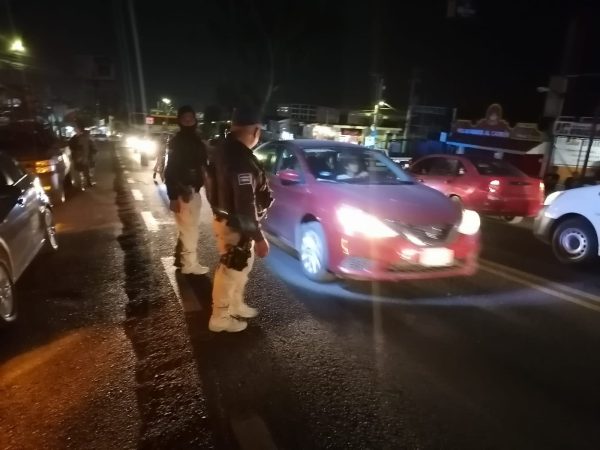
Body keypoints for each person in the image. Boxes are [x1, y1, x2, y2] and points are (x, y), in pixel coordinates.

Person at [208, 105, 273, 333]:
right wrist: (259, 238)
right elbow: (245, 204)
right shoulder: (240, 159)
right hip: (236, 224)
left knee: (241, 266)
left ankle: (235, 305)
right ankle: (220, 317)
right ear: (254, 130)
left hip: (229, 220)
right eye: (259, 131)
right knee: (232, 269)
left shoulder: (224, 149)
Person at [164, 105, 209, 275]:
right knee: (190, 230)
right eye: (185, 118)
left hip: (193, 189)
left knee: (187, 228)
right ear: (180, 120)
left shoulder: (196, 139)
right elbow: (170, 170)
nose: (189, 121)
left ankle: (181, 259)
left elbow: (202, 164)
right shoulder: (179, 141)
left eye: (191, 117)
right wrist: (173, 196)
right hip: (184, 191)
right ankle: (189, 265)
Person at [68, 123, 97, 190]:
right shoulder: (74, 139)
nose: (75, 130)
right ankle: (81, 185)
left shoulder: (85, 137)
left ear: (79, 129)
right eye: (75, 128)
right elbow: (71, 147)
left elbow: (91, 146)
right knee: (80, 171)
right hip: (79, 157)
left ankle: (88, 183)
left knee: (87, 170)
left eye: (76, 128)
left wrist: (93, 152)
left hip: (85, 157)